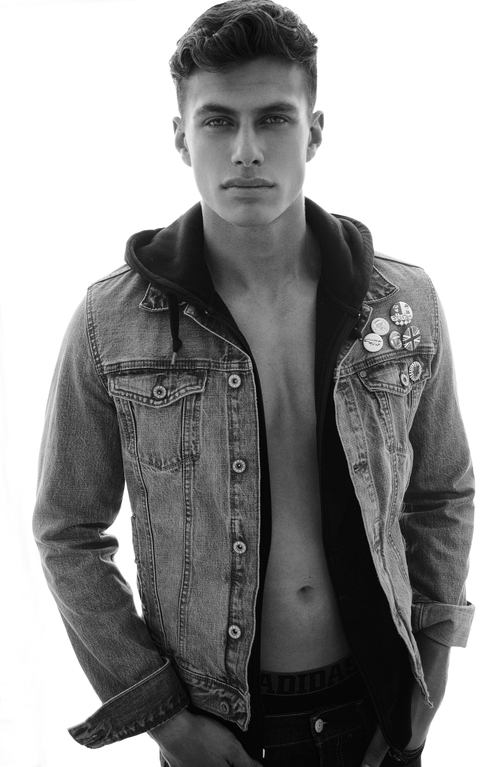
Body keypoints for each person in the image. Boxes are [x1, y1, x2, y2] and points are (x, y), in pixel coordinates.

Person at [33, 1, 475, 765]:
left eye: (273, 119)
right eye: (217, 121)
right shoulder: (112, 321)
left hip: (377, 705)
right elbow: (67, 531)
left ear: (315, 132)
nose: (245, 151)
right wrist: (168, 720)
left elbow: (441, 493)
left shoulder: (402, 303)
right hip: (219, 726)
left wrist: (428, 674)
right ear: (181, 137)